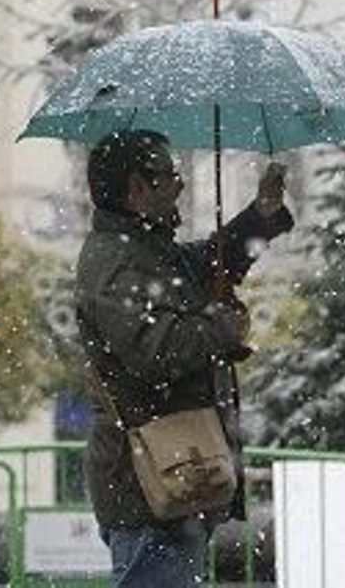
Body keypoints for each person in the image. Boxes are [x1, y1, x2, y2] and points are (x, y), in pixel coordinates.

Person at [74, 129, 293, 586]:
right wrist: (220, 327)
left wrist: (261, 217)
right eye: (168, 176)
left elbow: (206, 267)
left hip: (178, 472)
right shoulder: (116, 263)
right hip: (150, 480)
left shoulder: (145, 248)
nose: (180, 184)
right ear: (137, 188)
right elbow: (155, 353)